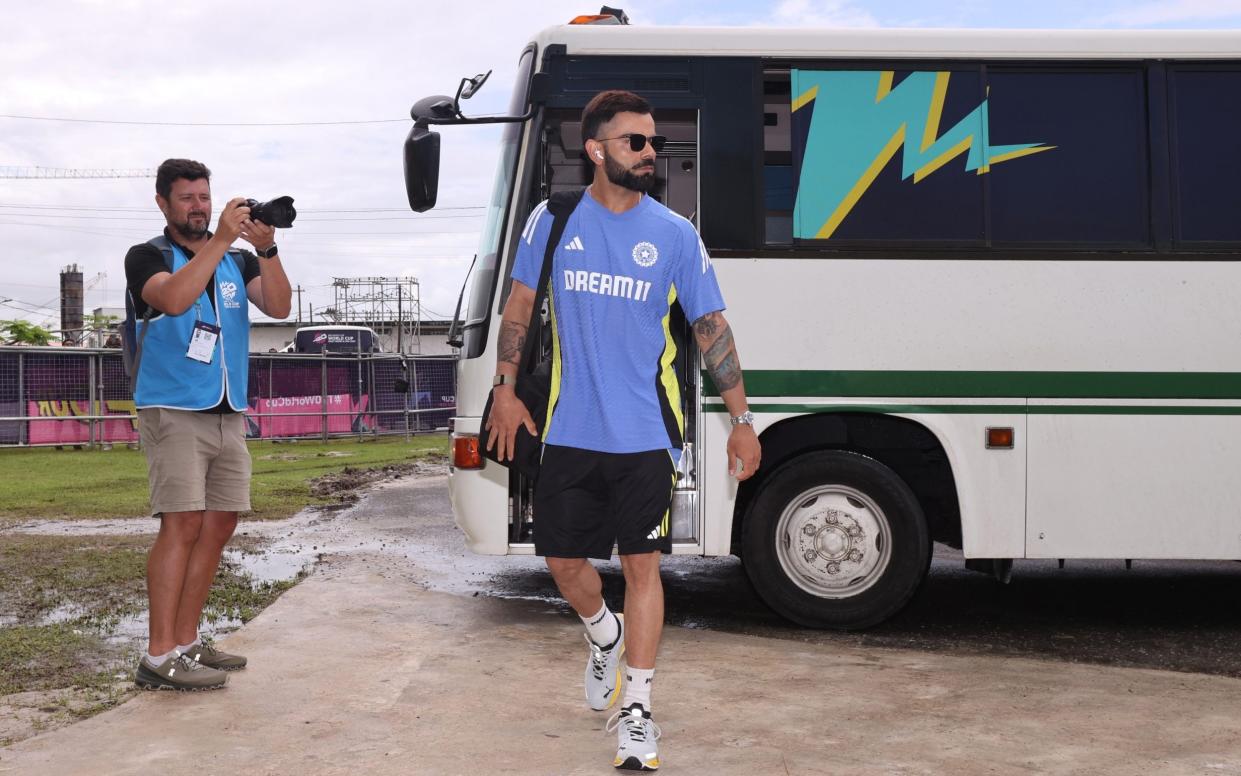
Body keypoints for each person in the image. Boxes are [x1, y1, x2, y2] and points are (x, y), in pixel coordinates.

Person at [486, 90, 761, 771]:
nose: (649, 152)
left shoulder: (673, 233)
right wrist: (502, 391)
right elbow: (519, 306)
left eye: (653, 142)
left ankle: (637, 709)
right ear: (596, 149)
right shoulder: (550, 222)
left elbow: (711, 330)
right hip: (568, 429)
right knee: (562, 561)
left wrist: (741, 420)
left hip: (645, 433)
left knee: (643, 566)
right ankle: (601, 634)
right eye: (635, 141)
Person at [124, 158, 292, 690]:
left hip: (227, 409)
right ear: (163, 204)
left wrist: (264, 248)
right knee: (182, 523)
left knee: (219, 524)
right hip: (173, 408)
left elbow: (282, 307)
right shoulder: (148, 255)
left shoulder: (237, 262)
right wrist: (220, 239)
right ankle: (158, 656)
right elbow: (173, 300)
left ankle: (187, 641)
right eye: (187, 198)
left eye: (204, 196)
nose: (198, 206)